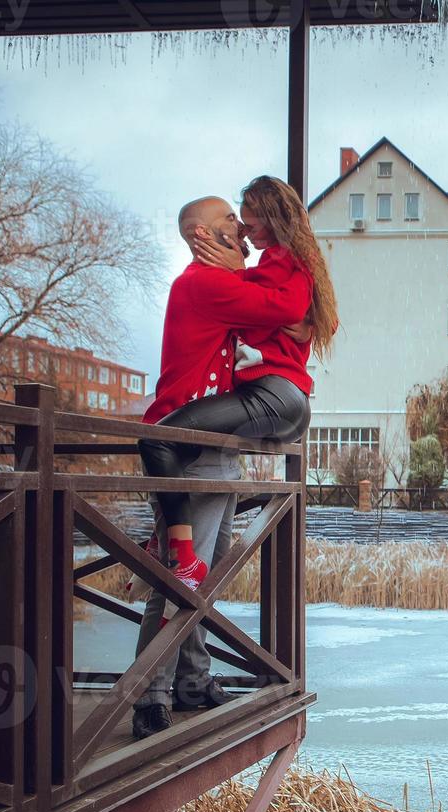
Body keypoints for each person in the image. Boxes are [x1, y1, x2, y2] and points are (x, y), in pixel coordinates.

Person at [131, 179, 338, 739]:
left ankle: (192, 680)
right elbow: (283, 304)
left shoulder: (222, 282)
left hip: (216, 450)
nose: (240, 227)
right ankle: (149, 695)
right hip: (190, 449)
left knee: (202, 578)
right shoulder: (202, 282)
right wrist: (299, 313)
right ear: (204, 233)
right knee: (181, 577)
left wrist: (303, 321)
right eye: (230, 218)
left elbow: (283, 315)